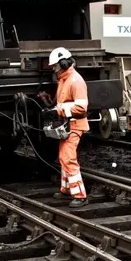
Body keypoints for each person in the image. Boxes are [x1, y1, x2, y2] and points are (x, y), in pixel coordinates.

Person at [49, 47, 89, 208]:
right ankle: (66, 189)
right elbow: (63, 102)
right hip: (66, 124)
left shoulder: (75, 81)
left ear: (63, 63)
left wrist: (58, 111)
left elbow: (81, 108)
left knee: (68, 158)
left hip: (75, 124)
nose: (53, 68)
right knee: (63, 157)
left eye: (55, 66)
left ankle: (80, 196)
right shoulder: (64, 79)